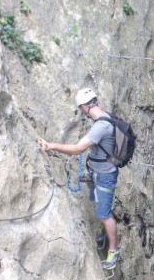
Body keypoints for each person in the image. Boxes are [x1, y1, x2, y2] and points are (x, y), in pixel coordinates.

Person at [37, 88, 120, 270]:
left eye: (81, 108)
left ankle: (113, 250)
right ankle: (101, 228)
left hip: (105, 176)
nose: (81, 111)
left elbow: (77, 149)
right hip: (97, 171)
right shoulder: (102, 117)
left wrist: (51, 146)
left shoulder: (101, 126)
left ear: (85, 106)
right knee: (97, 203)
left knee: (105, 215)